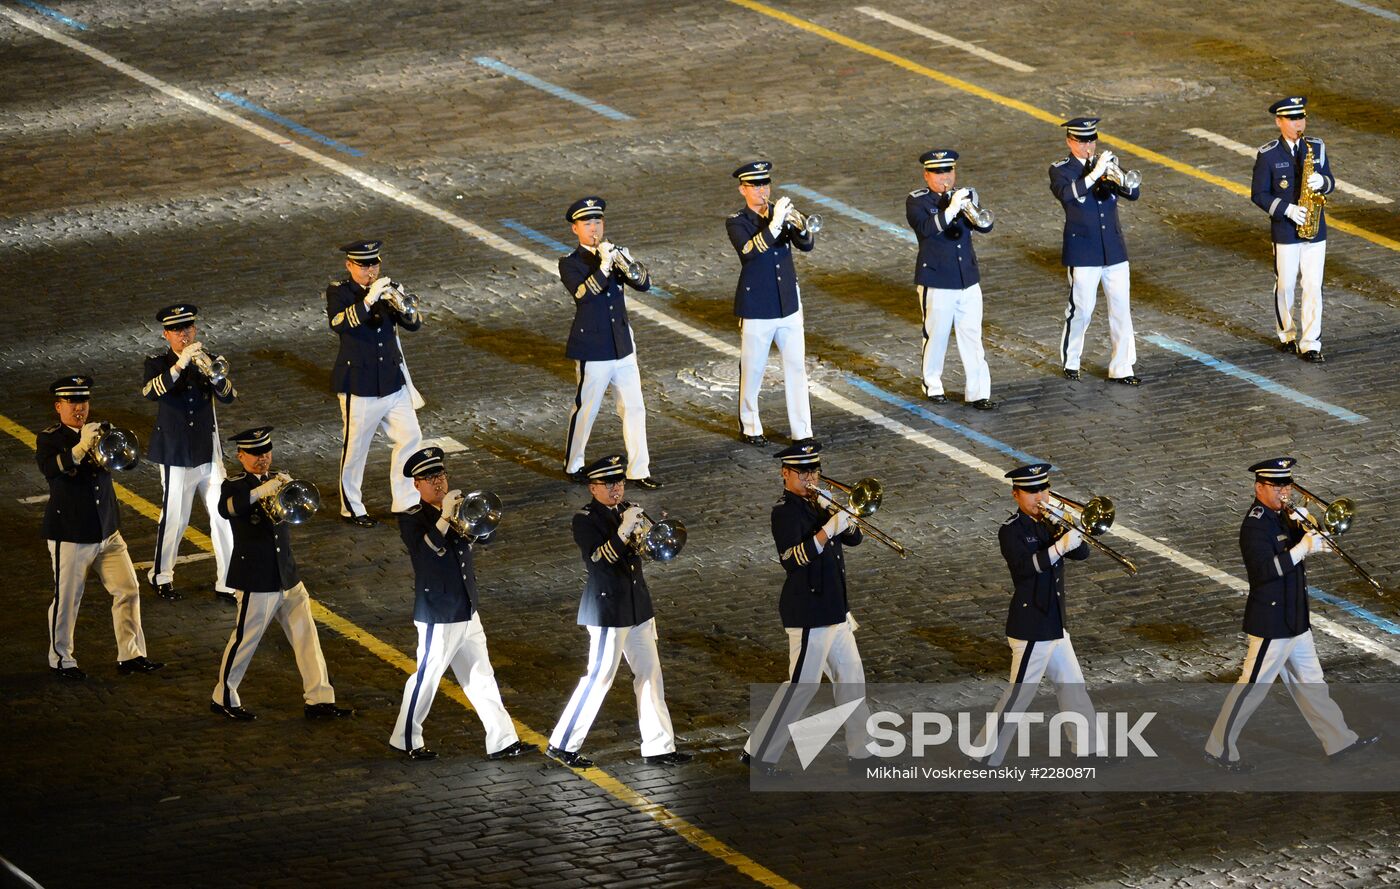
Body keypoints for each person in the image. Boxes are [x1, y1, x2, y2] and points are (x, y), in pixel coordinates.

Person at [1203, 457, 1378, 772]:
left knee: (1312, 682)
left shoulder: (1283, 517)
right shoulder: (1255, 525)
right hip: (1272, 622)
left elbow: (1303, 547)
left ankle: (1339, 741)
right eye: (1277, 485)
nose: (1285, 490)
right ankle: (1218, 749)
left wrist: (1312, 530)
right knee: (1252, 688)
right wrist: (1302, 548)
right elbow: (1264, 572)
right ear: (1260, 487)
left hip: (1295, 617)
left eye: (1287, 484)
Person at [389, 446, 534, 762]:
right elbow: (427, 552)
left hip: (467, 609)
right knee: (427, 675)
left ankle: (503, 740)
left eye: (439, 474)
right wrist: (444, 517)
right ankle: (406, 739)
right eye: (429, 478)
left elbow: (487, 536)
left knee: (481, 674)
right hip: (439, 614)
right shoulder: (411, 519)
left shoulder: (458, 508)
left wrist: (466, 515)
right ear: (417, 485)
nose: (437, 482)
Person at [546, 455, 690, 768]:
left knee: (651, 675)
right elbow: (598, 560)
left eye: (619, 481)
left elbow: (649, 551)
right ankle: (562, 743)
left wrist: (651, 534)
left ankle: (659, 746)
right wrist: (625, 530)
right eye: (609, 483)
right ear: (592, 487)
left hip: (637, 605)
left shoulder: (629, 509)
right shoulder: (584, 520)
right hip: (607, 608)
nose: (616, 488)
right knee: (599, 677)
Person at [741, 441, 871, 776]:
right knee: (802, 685)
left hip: (835, 609)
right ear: (786, 473)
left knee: (852, 679)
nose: (810, 477)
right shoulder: (785, 512)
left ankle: (862, 749)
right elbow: (793, 560)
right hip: (810, 610)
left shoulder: (819, 504)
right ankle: (758, 751)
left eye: (814, 470)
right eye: (803, 472)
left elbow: (855, 540)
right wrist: (828, 529)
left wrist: (845, 517)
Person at [210, 427, 351, 721]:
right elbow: (227, 510)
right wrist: (262, 490)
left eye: (266, 452)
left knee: (306, 636)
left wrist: (285, 488)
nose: (263, 459)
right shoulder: (233, 485)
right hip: (256, 577)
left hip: (286, 574)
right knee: (245, 639)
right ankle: (223, 696)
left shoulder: (280, 479)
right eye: (256, 454)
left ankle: (319, 698)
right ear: (241, 456)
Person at [973, 464, 1103, 767]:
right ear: (1015, 494)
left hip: (1054, 621)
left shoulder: (1051, 522)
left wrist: (1072, 528)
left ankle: (1088, 749)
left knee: (1072, 686)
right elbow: (1024, 569)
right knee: (1019, 696)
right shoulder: (1011, 530)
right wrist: (1059, 546)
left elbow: (1081, 554)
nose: (1039, 497)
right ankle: (984, 756)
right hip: (1032, 625)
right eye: (1031, 492)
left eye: (1043, 489)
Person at [37, 375, 163, 680]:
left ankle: (130, 654)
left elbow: (129, 462)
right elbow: (50, 469)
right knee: (68, 598)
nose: (79, 408)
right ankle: (61, 658)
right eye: (72, 402)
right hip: (70, 534)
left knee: (128, 589)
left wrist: (106, 442)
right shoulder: (50, 438)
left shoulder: (99, 432)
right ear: (58, 406)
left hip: (107, 530)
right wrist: (79, 449)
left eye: (83, 401)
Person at [558, 197, 660, 489]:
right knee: (587, 409)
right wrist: (604, 265)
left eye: (598, 222)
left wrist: (623, 262)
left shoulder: (614, 254)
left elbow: (644, 283)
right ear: (575, 229)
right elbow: (583, 295)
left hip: (622, 344)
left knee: (634, 407)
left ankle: (639, 469)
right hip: (593, 347)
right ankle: (574, 463)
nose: (594, 229)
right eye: (587, 223)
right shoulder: (570, 263)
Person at [142, 303, 237, 602]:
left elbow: (229, 397)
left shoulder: (210, 359)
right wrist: (180, 364)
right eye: (177, 330)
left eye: (188, 329)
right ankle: (161, 575)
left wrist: (213, 374)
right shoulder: (157, 363)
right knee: (175, 517)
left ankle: (228, 580)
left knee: (222, 515)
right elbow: (151, 392)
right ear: (166, 334)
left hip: (208, 452)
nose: (184, 335)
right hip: (176, 453)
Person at [326, 239, 424, 527]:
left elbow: (414, 323)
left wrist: (401, 303)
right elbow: (339, 324)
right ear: (349, 265)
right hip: (360, 383)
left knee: (411, 438)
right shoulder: (339, 292)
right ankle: (352, 508)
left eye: (374, 263)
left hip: (393, 381)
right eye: (363, 264)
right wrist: (369, 300)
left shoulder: (388, 289)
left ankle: (405, 501)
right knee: (356, 449)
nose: (370, 269)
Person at [726, 161, 816, 446]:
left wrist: (797, 225)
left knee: (797, 369)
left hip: (788, 302)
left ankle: (802, 431)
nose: (762, 191)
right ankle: (750, 425)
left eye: (765, 185)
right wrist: (776, 223)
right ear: (743, 189)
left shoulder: (778, 213)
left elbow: (807, 245)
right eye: (755, 186)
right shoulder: (737, 221)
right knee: (753, 369)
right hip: (757, 306)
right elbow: (750, 252)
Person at [1050, 117, 1142, 386]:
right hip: (1083, 251)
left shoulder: (1106, 162)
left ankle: (1122, 366)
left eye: (1091, 140)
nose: (1088, 146)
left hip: (1113, 249)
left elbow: (1133, 193)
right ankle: (1071, 359)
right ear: (1070, 141)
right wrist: (1093, 174)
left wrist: (1116, 175)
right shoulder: (1061, 170)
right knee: (1082, 309)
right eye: (1082, 141)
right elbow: (1068, 195)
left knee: (1121, 309)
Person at [905, 149, 996, 410]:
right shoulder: (917, 201)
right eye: (938, 172)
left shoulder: (966, 194)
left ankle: (979, 392)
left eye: (948, 171)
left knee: (972, 335)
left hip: (967, 276)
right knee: (937, 335)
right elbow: (926, 229)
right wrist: (951, 208)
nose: (944, 177)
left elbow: (984, 226)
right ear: (926, 175)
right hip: (937, 278)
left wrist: (968, 206)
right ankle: (932, 384)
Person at [1251, 97, 1335, 362]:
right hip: (1286, 229)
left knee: (1313, 285)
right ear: (1279, 122)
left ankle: (1311, 343)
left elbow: (1331, 181)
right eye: (1292, 119)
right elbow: (1258, 194)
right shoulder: (1269, 154)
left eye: (1302, 118)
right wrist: (1287, 210)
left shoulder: (1317, 147)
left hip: (1315, 227)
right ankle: (1286, 333)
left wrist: (1322, 181)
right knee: (1286, 285)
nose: (1299, 124)